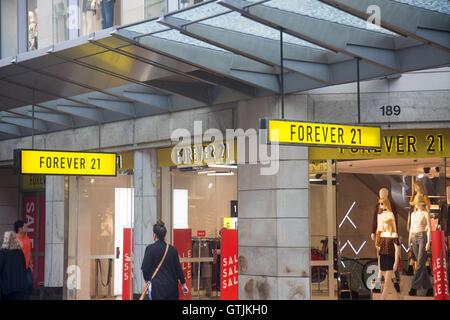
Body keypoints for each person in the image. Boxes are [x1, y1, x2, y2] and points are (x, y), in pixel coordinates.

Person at [141, 221, 188, 300]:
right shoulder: (173, 250)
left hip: (157, 287)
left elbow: (145, 268)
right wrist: (183, 284)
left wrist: (147, 280)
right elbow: (178, 269)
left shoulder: (150, 249)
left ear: (154, 235)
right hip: (172, 288)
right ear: (164, 235)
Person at [408, 194, 433, 297]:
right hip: (414, 236)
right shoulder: (413, 214)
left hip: (422, 236)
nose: (417, 205)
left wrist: (428, 242)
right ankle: (430, 288)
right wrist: (409, 239)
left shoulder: (425, 213)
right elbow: (411, 227)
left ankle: (414, 287)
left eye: (418, 203)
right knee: (420, 263)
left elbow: (429, 228)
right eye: (416, 203)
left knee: (420, 263)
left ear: (421, 204)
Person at [0, 231, 28, 300]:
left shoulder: (3, 252)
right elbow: (24, 268)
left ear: (6, 240)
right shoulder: (20, 253)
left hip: (7, 287)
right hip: (20, 287)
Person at [378, 217, 401, 300]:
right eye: (384, 223)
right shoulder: (382, 234)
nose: (385, 225)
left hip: (390, 258)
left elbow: (397, 250)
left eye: (386, 223)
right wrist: (379, 261)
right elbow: (380, 249)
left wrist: (395, 262)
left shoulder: (394, 235)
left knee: (387, 282)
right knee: (389, 283)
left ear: (390, 224)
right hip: (383, 257)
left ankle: (382, 298)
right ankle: (397, 298)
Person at [14, 220, 33, 299]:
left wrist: (31, 264)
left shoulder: (27, 238)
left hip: (27, 266)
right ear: (20, 229)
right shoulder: (14, 239)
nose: (27, 228)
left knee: (30, 283)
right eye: (25, 226)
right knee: (19, 285)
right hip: (17, 267)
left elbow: (29, 252)